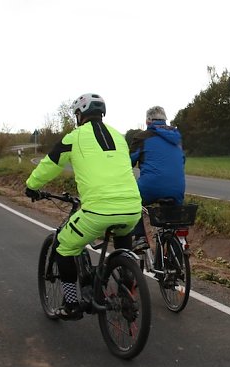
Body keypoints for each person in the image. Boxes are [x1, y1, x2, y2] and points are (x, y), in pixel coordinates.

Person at [24, 93, 141, 320]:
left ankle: (70, 304)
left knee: (63, 247)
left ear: (80, 115)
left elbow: (50, 164)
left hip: (97, 211)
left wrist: (31, 185)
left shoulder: (74, 137)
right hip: (133, 209)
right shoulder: (119, 137)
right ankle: (127, 287)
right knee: (122, 241)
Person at [128, 105, 186, 250]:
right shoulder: (176, 137)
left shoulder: (141, 137)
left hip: (151, 186)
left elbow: (128, 162)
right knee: (173, 223)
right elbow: (182, 160)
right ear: (165, 121)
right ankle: (179, 244)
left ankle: (140, 237)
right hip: (177, 188)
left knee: (130, 199)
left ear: (148, 121)